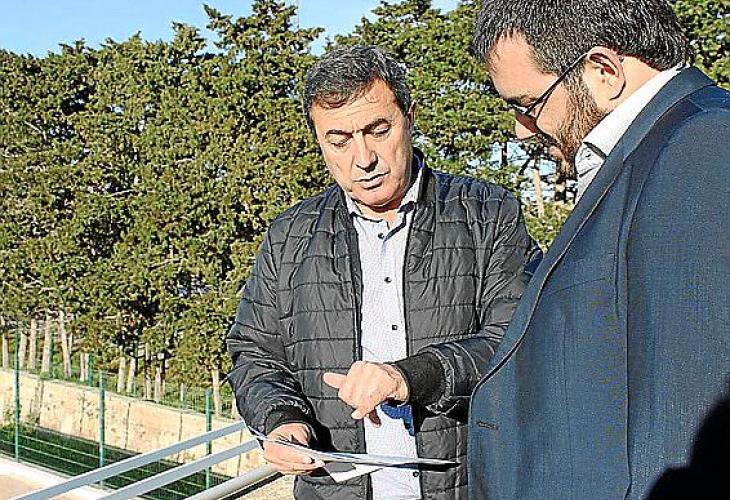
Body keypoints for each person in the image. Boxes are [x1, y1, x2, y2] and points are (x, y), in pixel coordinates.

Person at [226, 45, 541, 500]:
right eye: (339, 140)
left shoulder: (489, 213)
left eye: (378, 130)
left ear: (409, 118)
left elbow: (517, 340)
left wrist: (408, 377)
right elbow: (255, 351)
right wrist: (281, 419)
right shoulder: (288, 235)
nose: (363, 158)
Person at [467, 1, 730, 499]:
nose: (521, 128)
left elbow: (692, 423)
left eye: (529, 104)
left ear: (604, 71)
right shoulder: (652, 151)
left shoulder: (701, 145)